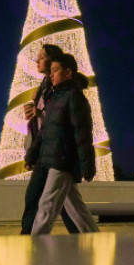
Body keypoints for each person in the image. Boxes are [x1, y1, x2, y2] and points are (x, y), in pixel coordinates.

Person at [30, 53, 98, 235]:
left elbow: (82, 133)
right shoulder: (55, 99)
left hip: (64, 161)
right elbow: (45, 132)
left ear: (68, 73)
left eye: (55, 70)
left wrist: (87, 165)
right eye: (50, 71)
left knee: (47, 206)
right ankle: (96, 241)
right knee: (77, 209)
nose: (50, 75)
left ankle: (34, 247)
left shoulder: (75, 97)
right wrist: (32, 153)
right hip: (55, 158)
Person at [20, 43, 80, 234]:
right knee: (66, 203)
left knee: (38, 198)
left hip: (55, 152)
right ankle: (82, 237)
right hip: (45, 149)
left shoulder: (59, 90)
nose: (37, 60)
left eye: (42, 56)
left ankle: (28, 237)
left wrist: (40, 114)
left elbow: (61, 122)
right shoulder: (43, 88)